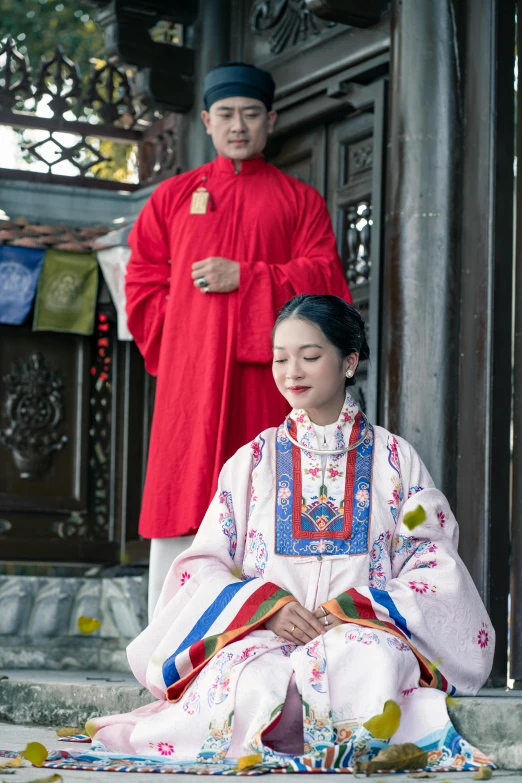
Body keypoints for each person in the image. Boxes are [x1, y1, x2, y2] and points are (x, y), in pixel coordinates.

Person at [88, 295, 493, 772]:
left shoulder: (395, 460)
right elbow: (203, 565)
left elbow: (432, 561)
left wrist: (361, 608)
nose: (291, 371)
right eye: (281, 357)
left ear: (349, 361)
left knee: (367, 664)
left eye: (310, 356)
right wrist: (265, 607)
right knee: (252, 678)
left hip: (360, 633)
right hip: (262, 634)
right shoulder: (253, 461)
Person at [125, 63, 351, 619]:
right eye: (225, 114)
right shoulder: (173, 198)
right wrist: (186, 339)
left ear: (270, 120)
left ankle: (263, 633)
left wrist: (247, 278)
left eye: (251, 113)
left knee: (263, 495)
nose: (238, 125)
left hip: (263, 380)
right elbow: (141, 283)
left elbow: (325, 280)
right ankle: (173, 641)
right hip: (191, 380)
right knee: (186, 495)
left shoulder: (299, 201)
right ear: (206, 120)